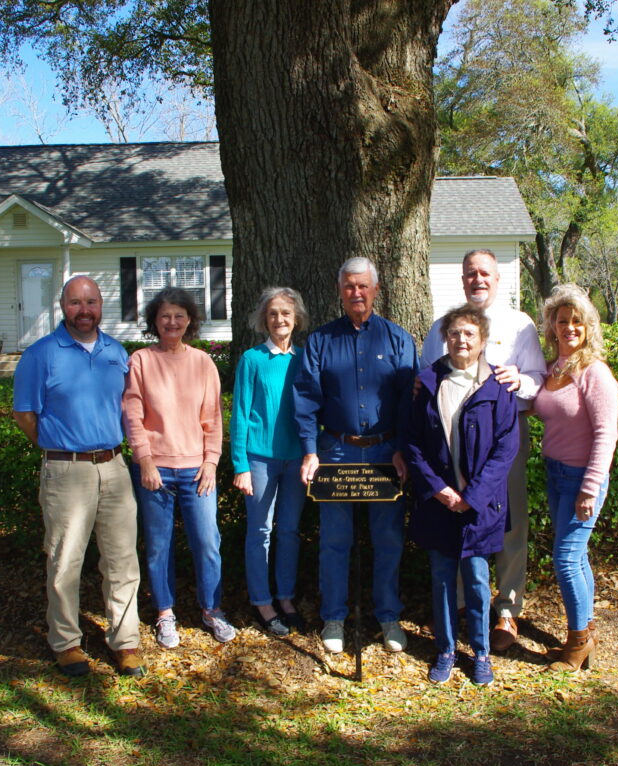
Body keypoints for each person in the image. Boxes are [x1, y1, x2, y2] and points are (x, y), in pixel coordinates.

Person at [12, 275, 143, 677]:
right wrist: (58, 447)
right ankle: (66, 642)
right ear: (62, 307)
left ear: (101, 305)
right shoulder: (40, 355)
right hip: (66, 470)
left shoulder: (116, 352)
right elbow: (24, 414)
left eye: (91, 302)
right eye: (75, 302)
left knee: (122, 560)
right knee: (65, 560)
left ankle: (125, 641)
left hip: (114, 467)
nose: (84, 310)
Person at [420, 249, 545, 651]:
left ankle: (507, 609)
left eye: (485, 273)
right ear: (462, 280)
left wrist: (520, 380)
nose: (478, 279)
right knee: (456, 515)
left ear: (497, 278)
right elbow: (426, 380)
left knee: (510, 521)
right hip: (453, 438)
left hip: (505, 438)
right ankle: (459, 603)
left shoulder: (519, 325)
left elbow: (539, 380)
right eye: (471, 273)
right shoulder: (442, 327)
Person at [294, 257, 418, 654]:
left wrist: (402, 449)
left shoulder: (398, 340)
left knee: (388, 539)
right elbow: (306, 399)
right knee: (335, 540)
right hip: (335, 451)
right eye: (349, 286)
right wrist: (309, 451)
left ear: (376, 289)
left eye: (363, 286)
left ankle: (388, 616)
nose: (356, 293)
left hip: (385, 452)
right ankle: (333, 616)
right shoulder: (320, 341)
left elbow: (409, 403)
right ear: (340, 291)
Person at [405, 305, 519, 685]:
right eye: (454, 333)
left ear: (483, 340)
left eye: (469, 333)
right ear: (445, 338)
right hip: (439, 504)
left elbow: (506, 447)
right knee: (441, 579)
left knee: (476, 579)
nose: (461, 340)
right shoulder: (427, 383)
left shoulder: (497, 387)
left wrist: (474, 494)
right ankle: (446, 650)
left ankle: (481, 653)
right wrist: (438, 489)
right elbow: (413, 443)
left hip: (479, 506)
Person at [123, 287, 234, 648]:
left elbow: (212, 419)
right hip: (155, 471)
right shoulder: (141, 361)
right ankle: (165, 613)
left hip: (196, 471)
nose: (172, 322)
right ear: (155, 321)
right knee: (159, 546)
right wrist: (144, 460)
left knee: (207, 542)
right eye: (165, 316)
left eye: (179, 316)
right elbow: (133, 415)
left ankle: (212, 610)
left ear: (190, 321)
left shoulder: (203, 363)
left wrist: (211, 462)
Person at [533, 283, 618, 672]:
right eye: (562, 320)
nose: (569, 328)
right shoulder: (554, 368)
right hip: (556, 474)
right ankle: (586, 632)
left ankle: (578, 643)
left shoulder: (594, 373)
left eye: (577, 322)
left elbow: (606, 434)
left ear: (588, 328)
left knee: (566, 560)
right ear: (552, 326)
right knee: (576, 556)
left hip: (583, 479)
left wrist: (589, 488)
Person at [230, 287, 310, 635]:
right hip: (260, 460)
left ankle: (286, 597)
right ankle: (262, 601)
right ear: (265, 319)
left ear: (297, 319)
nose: (280, 319)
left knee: (289, 531)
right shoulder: (252, 359)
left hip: (296, 459)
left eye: (286, 313)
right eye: (273, 313)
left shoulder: (304, 358)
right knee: (260, 531)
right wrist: (240, 465)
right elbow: (239, 414)